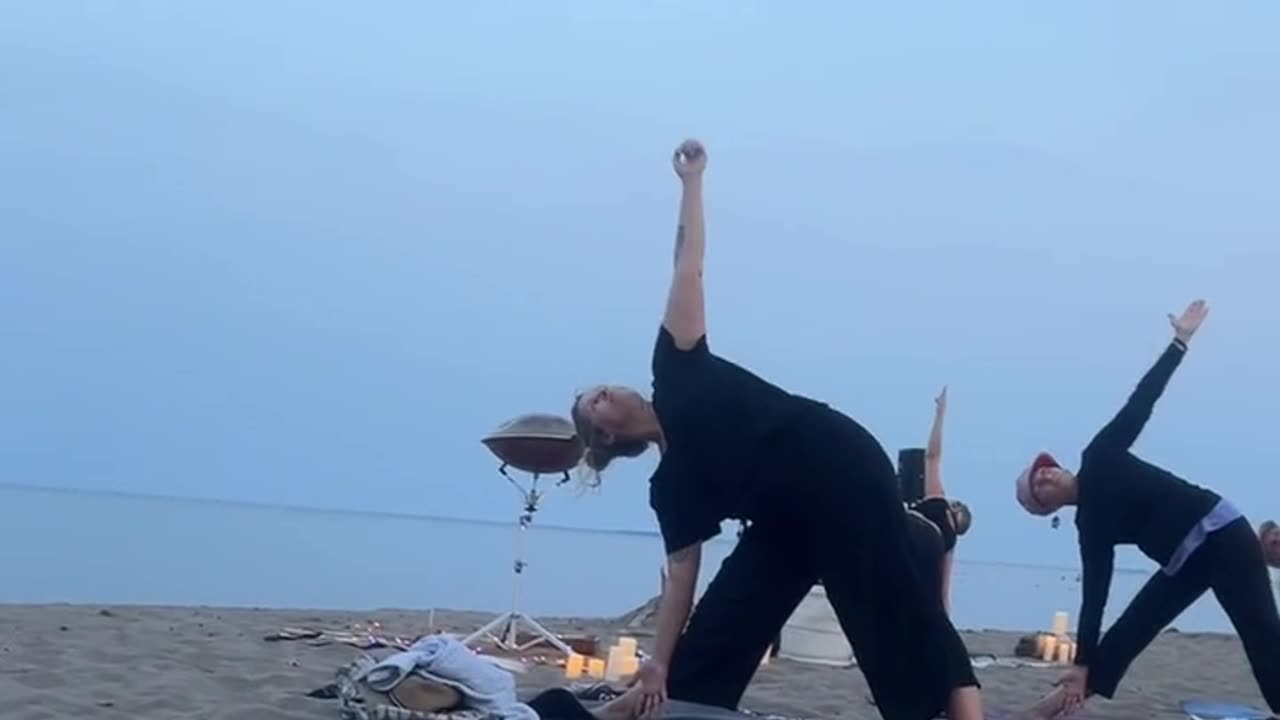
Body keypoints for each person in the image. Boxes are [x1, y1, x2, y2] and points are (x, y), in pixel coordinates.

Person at [569, 139, 982, 720]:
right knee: (710, 643)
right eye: (592, 406)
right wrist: (658, 662)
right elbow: (681, 581)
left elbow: (688, 265)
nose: (602, 392)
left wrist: (692, 183)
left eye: (597, 388)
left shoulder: (677, 368)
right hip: (784, 521)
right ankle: (685, 699)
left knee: (886, 625)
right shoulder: (673, 487)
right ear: (609, 436)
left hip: (839, 470)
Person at [1013, 300, 1280, 718]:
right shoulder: (1090, 528)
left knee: (1262, 639)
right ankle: (1058, 700)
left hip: (1222, 534)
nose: (1043, 478)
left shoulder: (1099, 454)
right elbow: (1094, 595)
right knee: (1130, 629)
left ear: (1060, 466)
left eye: (1043, 471)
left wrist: (1180, 341)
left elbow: (1142, 402)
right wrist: (1082, 661)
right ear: (1048, 510)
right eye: (1037, 489)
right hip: (1186, 561)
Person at [905, 386, 973, 615]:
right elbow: (943, 592)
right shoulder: (949, 542)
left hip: (907, 534)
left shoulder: (939, 502)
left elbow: (932, 457)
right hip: (914, 553)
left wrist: (940, 414)